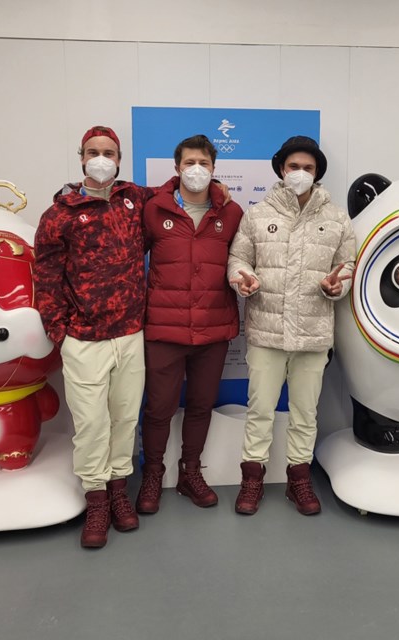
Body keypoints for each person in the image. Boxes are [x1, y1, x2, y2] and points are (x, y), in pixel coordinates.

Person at [33, 126, 151, 549]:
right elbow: (44, 274)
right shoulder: (60, 214)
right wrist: (59, 330)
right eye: (94, 152)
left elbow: (178, 190)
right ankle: (97, 499)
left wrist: (218, 192)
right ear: (81, 156)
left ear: (120, 159)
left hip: (130, 333)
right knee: (91, 424)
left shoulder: (134, 199)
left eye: (110, 152)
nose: (102, 159)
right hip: (83, 338)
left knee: (124, 418)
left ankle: (120, 491)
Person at [227, 135, 356, 516]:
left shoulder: (335, 218)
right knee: (260, 410)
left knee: (305, 412)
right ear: (281, 169)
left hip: (313, 335)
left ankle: (298, 479)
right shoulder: (257, 214)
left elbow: (347, 264)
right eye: (293, 166)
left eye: (308, 168)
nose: (300, 173)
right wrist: (242, 277)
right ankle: (252, 479)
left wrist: (339, 285)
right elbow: (237, 258)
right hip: (266, 332)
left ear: (317, 174)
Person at [134, 134, 244, 515]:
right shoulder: (153, 208)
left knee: (201, 406)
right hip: (164, 328)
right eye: (189, 163)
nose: (196, 169)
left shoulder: (231, 212)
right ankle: (152, 474)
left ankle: (190, 473)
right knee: (159, 408)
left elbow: (240, 260)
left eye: (204, 163)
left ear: (214, 168)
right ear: (177, 167)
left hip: (213, 329)